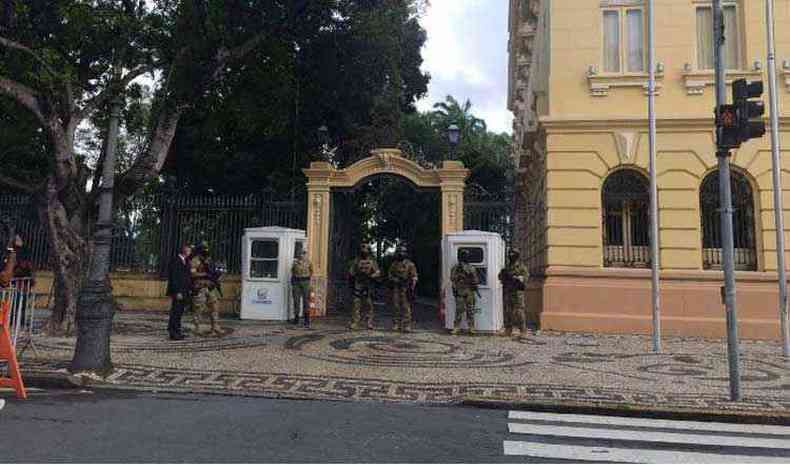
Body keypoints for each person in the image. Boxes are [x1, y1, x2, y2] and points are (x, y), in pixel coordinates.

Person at [190, 241, 223, 337]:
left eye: (206, 248)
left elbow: (214, 271)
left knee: (214, 306)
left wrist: (216, 275)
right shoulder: (195, 261)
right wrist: (205, 274)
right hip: (200, 287)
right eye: (204, 249)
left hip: (210, 287)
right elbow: (192, 274)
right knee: (198, 308)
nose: (206, 250)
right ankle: (197, 328)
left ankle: (215, 326)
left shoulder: (209, 260)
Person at [348, 244, 380, 331]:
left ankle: (369, 323)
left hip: (368, 285)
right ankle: (355, 322)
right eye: (363, 251)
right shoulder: (356, 261)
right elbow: (351, 272)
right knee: (356, 304)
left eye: (366, 251)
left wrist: (371, 276)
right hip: (358, 284)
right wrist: (355, 275)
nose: (364, 252)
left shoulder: (372, 261)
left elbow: (378, 272)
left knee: (369, 304)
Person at [498, 247, 529, 338]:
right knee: (508, 311)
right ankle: (508, 330)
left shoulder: (522, 267)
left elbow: (525, 278)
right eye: (510, 253)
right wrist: (503, 275)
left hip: (517, 292)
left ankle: (523, 330)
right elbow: (500, 277)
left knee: (519, 311)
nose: (511, 255)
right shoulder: (507, 267)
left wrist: (517, 278)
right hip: (508, 291)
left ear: (517, 255)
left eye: (513, 254)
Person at [388, 245, 418, 333]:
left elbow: (414, 276)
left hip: (406, 287)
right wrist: (395, 280)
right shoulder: (394, 264)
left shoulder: (410, 264)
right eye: (400, 252)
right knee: (396, 305)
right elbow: (390, 275)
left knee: (406, 306)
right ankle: (396, 324)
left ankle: (407, 325)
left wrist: (412, 286)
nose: (401, 254)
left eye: (403, 252)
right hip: (397, 287)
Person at [166, 243, 192, 341]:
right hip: (178, 292)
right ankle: (173, 332)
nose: (190, 252)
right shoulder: (176, 261)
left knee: (179, 312)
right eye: (189, 250)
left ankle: (177, 331)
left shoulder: (185, 261)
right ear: (184, 250)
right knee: (175, 311)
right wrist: (178, 292)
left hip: (183, 291)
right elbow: (174, 278)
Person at [451, 249, 479, 336]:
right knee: (459, 310)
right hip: (460, 291)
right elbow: (452, 278)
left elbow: (476, 280)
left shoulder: (471, 268)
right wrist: (460, 275)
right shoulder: (456, 267)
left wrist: (471, 279)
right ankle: (456, 327)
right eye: (464, 255)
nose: (466, 257)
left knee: (470, 310)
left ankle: (471, 327)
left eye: (467, 255)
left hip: (469, 291)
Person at [291, 248, 313, 328]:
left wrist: (309, 281)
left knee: (306, 300)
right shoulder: (295, 262)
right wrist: (293, 282)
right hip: (296, 281)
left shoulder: (309, 262)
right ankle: (296, 317)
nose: (302, 255)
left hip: (305, 281)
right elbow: (292, 271)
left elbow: (311, 271)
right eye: (300, 253)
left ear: (305, 254)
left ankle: (306, 319)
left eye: (303, 253)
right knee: (296, 300)